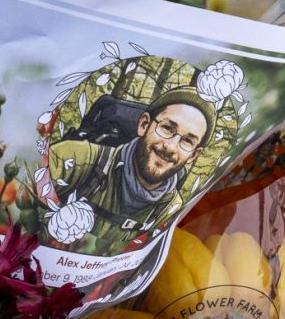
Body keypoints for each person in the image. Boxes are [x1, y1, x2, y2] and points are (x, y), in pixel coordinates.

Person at [46, 88, 215, 244]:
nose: (170, 147)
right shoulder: (74, 157)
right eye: (167, 128)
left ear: (193, 154)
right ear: (144, 125)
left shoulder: (172, 209)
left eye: (187, 141)